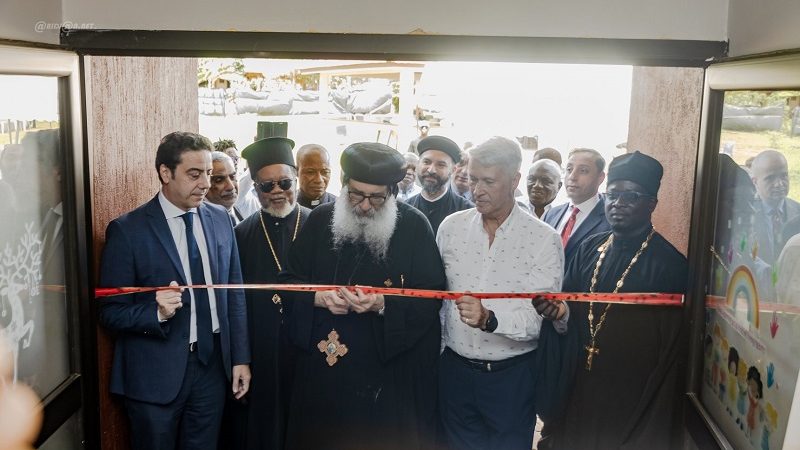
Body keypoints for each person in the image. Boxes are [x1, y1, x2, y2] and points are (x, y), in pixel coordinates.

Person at [281, 142, 447, 450]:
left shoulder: (413, 227)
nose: (365, 205)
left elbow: (431, 296)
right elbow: (287, 284)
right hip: (324, 372)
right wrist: (318, 297)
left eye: (376, 197)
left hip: (383, 378)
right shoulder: (320, 221)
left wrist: (383, 304)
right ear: (344, 187)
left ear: (392, 192)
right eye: (356, 194)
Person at [98, 131, 251, 450]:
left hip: (212, 371)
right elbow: (109, 311)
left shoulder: (221, 219)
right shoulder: (127, 231)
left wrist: (240, 358)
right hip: (154, 378)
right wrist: (155, 312)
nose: (206, 184)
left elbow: (234, 294)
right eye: (194, 175)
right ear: (165, 173)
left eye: (208, 173)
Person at [538, 151, 688, 450]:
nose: (618, 203)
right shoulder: (588, 249)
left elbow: (672, 355)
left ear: (651, 204)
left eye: (630, 196)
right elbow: (570, 309)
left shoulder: (670, 266)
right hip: (578, 387)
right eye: (613, 194)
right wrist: (559, 312)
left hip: (630, 399)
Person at [437, 136, 567, 450]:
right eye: (472, 179)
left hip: (511, 381)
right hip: (453, 373)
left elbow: (540, 319)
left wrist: (489, 319)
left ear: (514, 181)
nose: (476, 190)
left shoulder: (543, 239)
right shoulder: (450, 228)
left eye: (488, 182)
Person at [228, 137, 311, 450]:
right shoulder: (242, 234)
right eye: (267, 186)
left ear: (295, 178)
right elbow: (234, 303)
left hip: (310, 348)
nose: (277, 191)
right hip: (263, 351)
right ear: (256, 189)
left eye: (284, 182)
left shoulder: (320, 225)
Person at [543, 148, 610, 266]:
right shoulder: (552, 214)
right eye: (569, 169)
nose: (572, 177)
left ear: (600, 177)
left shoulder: (609, 220)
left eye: (583, 171)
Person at [406, 136, 473, 234]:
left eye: (441, 165)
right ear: (418, 165)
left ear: (453, 170)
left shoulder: (467, 211)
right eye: (426, 162)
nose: (431, 170)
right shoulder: (405, 209)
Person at [750, 149, 800, 265]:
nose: (779, 184)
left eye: (784, 176)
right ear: (755, 182)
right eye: (770, 178)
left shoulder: (798, 211)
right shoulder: (745, 214)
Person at [205, 151, 245, 226]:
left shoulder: (237, 212)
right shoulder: (200, 224)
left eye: (232, 177)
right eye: (219, 180)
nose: (231, 186)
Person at [296, 143, 337, 209]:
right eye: (310, 172)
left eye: (325, 172)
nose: (319, 180)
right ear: (297, 171)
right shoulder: (286, 205)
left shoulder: (340, 208)